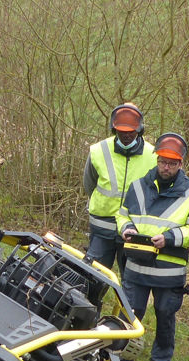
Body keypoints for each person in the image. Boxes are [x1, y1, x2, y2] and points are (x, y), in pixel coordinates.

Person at [117, 133, 189, 361]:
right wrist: (125, 229)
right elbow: (122, 215)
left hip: (169, 270)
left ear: (180, 164)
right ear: (157, 160)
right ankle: (123, 357)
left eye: (172, 163)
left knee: (165, 315)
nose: (166, 167)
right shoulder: (137, 186)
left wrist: (169, 238)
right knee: (130, 314)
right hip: (136, 266)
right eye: (162, 162)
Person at [82, 103, 157, 271]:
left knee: (130, 282)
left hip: (134, 229)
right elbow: (89, 184)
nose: (126, 136)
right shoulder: (98, 151)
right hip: (102, 227)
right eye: (121, 131)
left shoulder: (153, 156)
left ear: (139, 130)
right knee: (93, 277)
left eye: (130, 132)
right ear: (113, 129)